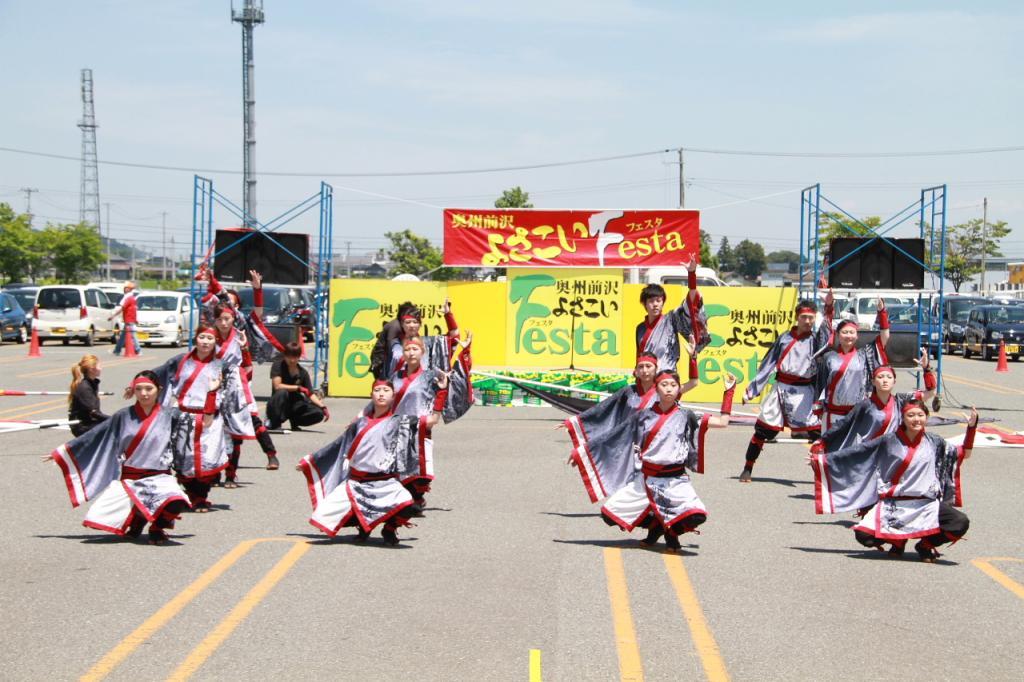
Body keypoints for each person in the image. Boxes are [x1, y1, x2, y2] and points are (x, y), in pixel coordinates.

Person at [568, 371, 737, 551]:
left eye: (673, 385)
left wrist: (729, 392)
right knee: (608, 516)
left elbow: (723, 422)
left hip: (675, 480)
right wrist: (582, 452)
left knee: (697, 516)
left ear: (679, 389)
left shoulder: (687, 415)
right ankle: (657, 526)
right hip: (645, 480)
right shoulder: (642, 416)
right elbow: (614, 435)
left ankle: (670, 531)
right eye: (664, 385)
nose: (669, 389)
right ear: (656, 389)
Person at [808, 400, 977, 562]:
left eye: (920, 415)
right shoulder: (888, 441)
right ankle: (897, 541)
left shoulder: (935, 442)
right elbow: (858, 452)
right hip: (894, 504)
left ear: (926, 417)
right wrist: (823, 461)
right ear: (903, 418)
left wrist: (971, 429)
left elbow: (965, 453)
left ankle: (925, 545)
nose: (916, 419)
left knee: (959, 522)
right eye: (911, 415)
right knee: (864, 536)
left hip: (925, 504)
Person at [297, 374, 449, 545]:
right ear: (371, 395)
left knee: (411, 507)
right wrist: (309, 461)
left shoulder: (399, 421)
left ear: (393, 396)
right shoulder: (359, 423)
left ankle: (389, 529)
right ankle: (364, 526)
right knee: (322, 518)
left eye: (386, 390)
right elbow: (338, 446)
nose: (381, 394)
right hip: (355, 484)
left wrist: (442, 391)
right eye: (377, 390)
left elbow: (432, 420)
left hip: (384, 483)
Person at [44, 370, 192, 545]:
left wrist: (212, 394)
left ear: (158, 390)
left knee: (177, 502)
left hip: (160, 476)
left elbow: (194, 429)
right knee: (98, 518)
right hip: (131, 478)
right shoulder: (123, 415)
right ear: (133, 390)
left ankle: (157, 528)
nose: (144, 393)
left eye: (148, 388)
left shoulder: (171, 415)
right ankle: (138, 519)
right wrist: (63, 452)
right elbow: (97, 434)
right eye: (139, 389)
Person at [562, 345, 699, 495]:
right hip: (627, 444)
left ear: (656, 368)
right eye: (641, 367)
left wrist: (693, 358)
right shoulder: (628, 392)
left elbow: (693, 383)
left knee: (651, 485)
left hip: (654, 446)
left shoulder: (665, 390)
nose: (645, 370)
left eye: (649, 366)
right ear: (636, 370)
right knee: (626, 485)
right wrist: (576, 421)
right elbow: (603, 409)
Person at [373, 333, 473, 515]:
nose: (411, 352)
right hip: (396, 429)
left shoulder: (431, 375)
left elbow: (454, 383)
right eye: (407, 349)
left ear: (422, 352)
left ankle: (415, 499)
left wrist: (464, 352)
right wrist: (363, 418)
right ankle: (401, 502)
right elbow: (381, 401)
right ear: (402, 354)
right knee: (394, 469)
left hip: (420, 429)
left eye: (415, 349)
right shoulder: (394, 377)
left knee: (420, 472)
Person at [738, 295, 833, 483]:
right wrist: (752, 390)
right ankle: (747, 468)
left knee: (818, 433)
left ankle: (823, 476)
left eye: (811, 318)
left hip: (805, 393)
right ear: (797, 317)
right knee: (762, 430)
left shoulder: (816, 340)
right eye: (804, 317)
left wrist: (829, 306)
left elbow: (827, 331)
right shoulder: (784, 338)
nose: (807, 321)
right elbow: (767, 364)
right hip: (780, 390)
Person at [148, 324, 228, 512]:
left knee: (206, 460)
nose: (205, 342)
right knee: (185, 459)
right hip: (184, 416)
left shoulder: (220, 364)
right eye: (202, 337)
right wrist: (137, 383)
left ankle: (201, 497)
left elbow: (228, 390)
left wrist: (211, 407)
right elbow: (157, 374)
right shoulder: (181, 360)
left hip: (209, 417)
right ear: (195, 339)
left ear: (216, 341)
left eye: (210, 338)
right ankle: (191, 494)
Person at [813, 351, 937, 456]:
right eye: (880, 377)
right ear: (873, 381)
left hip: (893, 454)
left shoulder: (901, 401)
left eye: (889, 377)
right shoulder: (864, 405)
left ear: (894, 381)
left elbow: (931, 392)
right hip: (870, 456)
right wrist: (822, 441)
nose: (885, 380)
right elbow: (844, 425)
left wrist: (926, 369)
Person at [814, 297, 890, 431]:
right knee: (831, 444)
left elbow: (884, 338)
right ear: (838, 335)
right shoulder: (829, 357)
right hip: (832, 415)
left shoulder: (865, 354)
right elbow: (820, 383)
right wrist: (829, 307)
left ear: (857, 335)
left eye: (851, 332)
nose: (848, 335)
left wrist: (882, 312)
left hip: (857, 415)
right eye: (844, 332)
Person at [635, 254, 711, 375]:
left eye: (658, 301)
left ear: (663, 302)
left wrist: (691, 274)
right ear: (644, 304)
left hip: (668, 378)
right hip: (647, 379)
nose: (655, 304)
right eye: (651, 301)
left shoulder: (671, 320)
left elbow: (691, 303)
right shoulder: (640, 328)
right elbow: (639, 358)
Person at [385, 299, 460, 378]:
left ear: (420, 324)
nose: (412, 325)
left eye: (415, 322)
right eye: (408, 322)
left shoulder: (429, 343)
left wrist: (448, 314)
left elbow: (454, 338)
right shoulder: (393, 345)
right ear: (401, 324)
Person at [267, 341, 329, 431]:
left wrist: (323, 407)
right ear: (285, 356)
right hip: (279, 403)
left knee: (318, 413)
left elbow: (310, 393)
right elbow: (277, 386)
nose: (292, 360)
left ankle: (295, 421)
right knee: (282, 392)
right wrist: (297, 388)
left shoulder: (303, 372)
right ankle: (275, 423)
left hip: (295, 405)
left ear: (299, 357)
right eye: (289, 357)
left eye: (295, 357)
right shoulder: (278, 365)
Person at [68, 354, 109, 437]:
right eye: (99, 366)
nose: (101, 368)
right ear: (91, 369)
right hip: (82, 426)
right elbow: (93, 412)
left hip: (90, 422)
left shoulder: (91, 384)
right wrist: (113, 419)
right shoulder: (85, 388)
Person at [109, 281, 140, 356]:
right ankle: (117, 350)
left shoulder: (128, 298)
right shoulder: (132, 298)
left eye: (126, 288)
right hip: (128, 320)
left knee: (133, 335)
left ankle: (138, 350)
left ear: (129, 289)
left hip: (129, 320)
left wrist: (113, 316)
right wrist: (135, 319)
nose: (124, 289)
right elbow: (133, 310)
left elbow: (122, 308)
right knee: (123, 337)